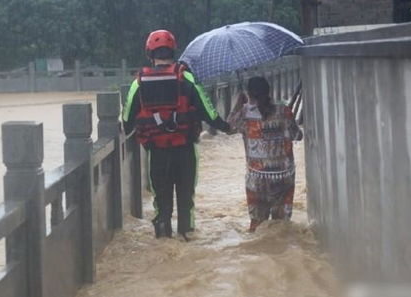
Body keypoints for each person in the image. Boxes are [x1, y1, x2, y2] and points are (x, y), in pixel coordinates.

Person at [122, 29, 230, 240]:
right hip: (185, 149)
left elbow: (127, 119)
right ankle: (186, 237)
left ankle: (163, 239)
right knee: (186, 200)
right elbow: (209, 113)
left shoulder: (139, 82)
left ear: (149, 54)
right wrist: (227, 128)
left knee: (161, 202)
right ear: (173, 51)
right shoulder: (187, 77)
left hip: (157, 153)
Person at [227, 76, 303, 232]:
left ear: (249, 94)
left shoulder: (244, 113)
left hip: (257, 178)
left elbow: (228, 127)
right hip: (284, 177)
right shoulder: (284, 111)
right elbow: (297, 136)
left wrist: (237, 104)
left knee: (257, 225)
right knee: (282, 227)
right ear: (269, 91)